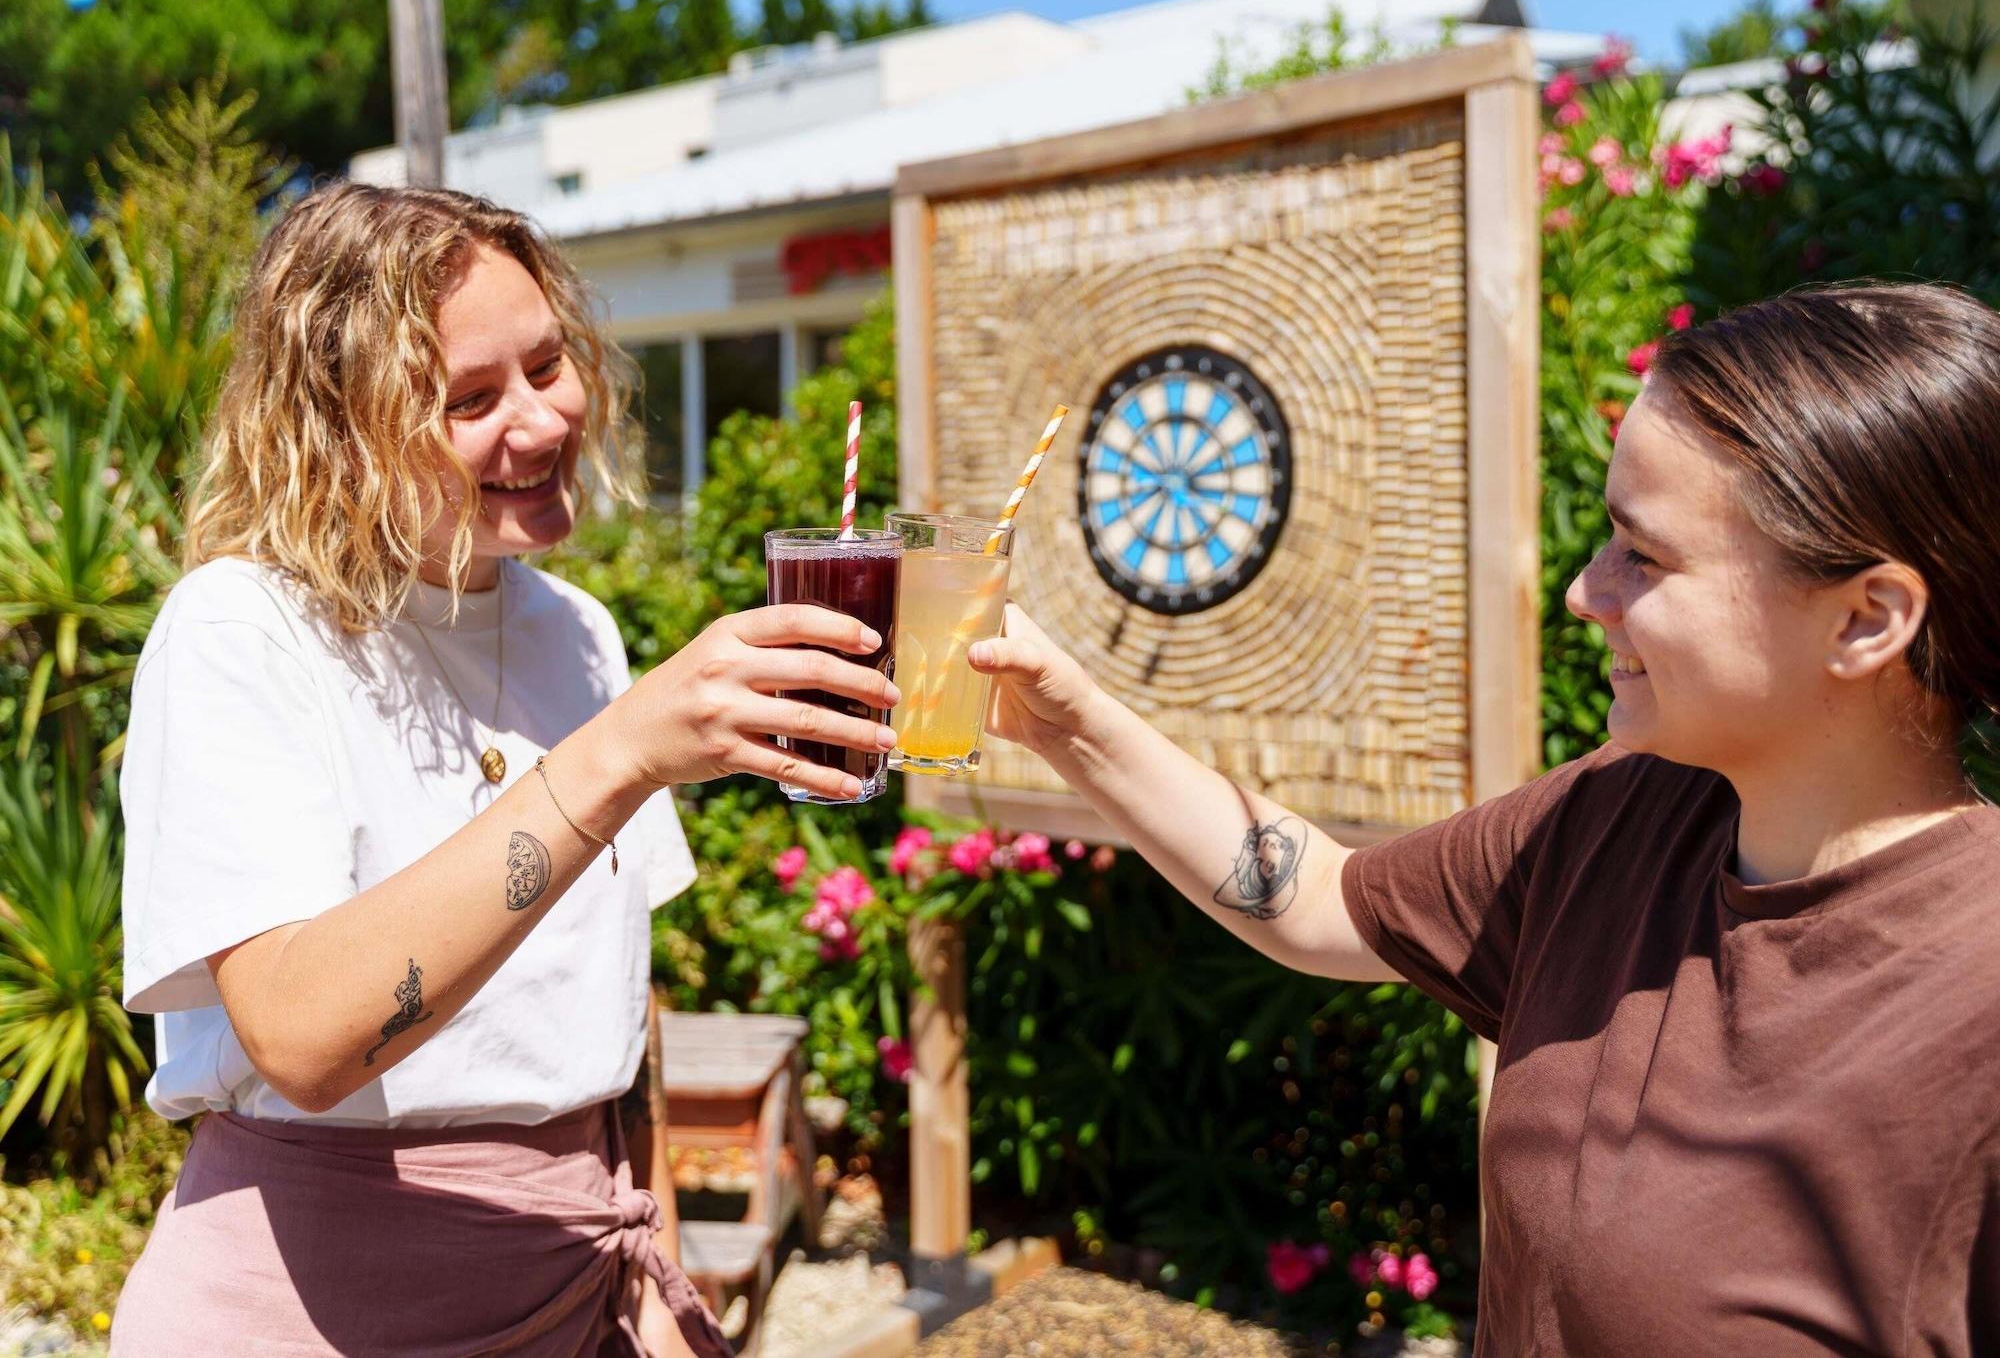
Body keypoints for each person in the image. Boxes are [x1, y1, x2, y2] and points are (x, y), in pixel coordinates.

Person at [969, 281, 2000, 1354]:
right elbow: (1320, 902)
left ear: (1865, 618)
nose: (1584, 592)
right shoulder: (1624, 817)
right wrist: (1069, 727)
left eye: (1641, 557)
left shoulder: (1973, 1007)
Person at [113, 183, 899, 1356]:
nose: (539, 421)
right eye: (467, 399)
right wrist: (618, 754)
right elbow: (303, 1038)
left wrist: (653, 1270)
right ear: (339, 427)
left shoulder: (573, 627)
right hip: (311, 1306)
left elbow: (620, 1018)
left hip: (574, 1290)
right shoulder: (244, 627)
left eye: (547, 364)